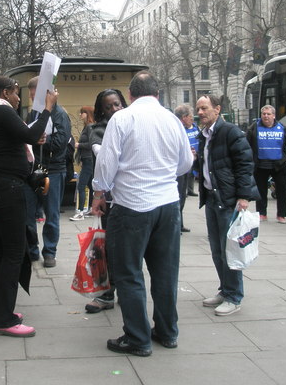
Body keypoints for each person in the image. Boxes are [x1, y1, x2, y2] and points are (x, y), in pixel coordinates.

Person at [91, 72, 193, 357]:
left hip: (132, 206)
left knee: (128, 273)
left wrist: (99, 194)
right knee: (165, 272)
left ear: (131, 94)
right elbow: (185, 162)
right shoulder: (172, 119)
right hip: (168, 206)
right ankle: (167, 332)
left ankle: (137, 338)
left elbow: (106, 163)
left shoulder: (122, 119)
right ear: (157, 94)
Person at [0, 76, 57, 337]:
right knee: (13, 252)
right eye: (15, 92)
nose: (18, 97)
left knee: (1, 253)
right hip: (6, 188)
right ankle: (4, 320)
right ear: (5, 92)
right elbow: (32, 135)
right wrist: (47, 108)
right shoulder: (1, 110)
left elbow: (25, 137)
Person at [196, 94, 257, 317]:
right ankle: (225, 289)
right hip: (213, 199)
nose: (200, 113)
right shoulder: (204, 135)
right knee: (216, 250)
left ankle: (234, 296)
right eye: (198, 109)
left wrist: (244, 196)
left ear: (217, 109)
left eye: (204, 108)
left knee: (229, 250)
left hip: (228, 199)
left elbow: (245, 164)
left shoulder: (230, 131)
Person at [83, 88, 128, 314]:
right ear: (101, 110)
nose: (114, 109)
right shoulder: (96, 129)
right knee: (108, 246)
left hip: (130, 196)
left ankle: (126, 291)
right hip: (108, 198)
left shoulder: (131, 123)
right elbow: (104, 157)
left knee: (129, 248)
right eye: (108, 106)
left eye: (117, 104)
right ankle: (106, 294)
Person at [25, 76, 71, 268]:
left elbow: (61, 143)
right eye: (32, 96)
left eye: (36, 96)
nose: (33, 100)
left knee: (51, 214)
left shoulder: (60, 114)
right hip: (34, 168)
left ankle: (49, 251)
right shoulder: (33, 114)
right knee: (28, 214)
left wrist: (41, 140)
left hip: (53, 170)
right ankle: (32, 249)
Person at [246, 105, 286, 224]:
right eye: (264, 114)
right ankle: (261, 213)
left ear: (274, 116)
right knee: (260, 191)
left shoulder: (282, 128)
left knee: (283, 190)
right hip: (260, 165)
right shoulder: (254, 128)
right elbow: (247, 144)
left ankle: (281, 215)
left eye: (268, 114)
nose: (266, 116)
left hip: (279, 164)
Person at [173, 104, 199, 232]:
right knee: (178, 197)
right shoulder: (176, 129)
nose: (192, 119)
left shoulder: (185, 128)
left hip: (184, 167)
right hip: (177, 169)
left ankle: (180, 224)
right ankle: (176, 225)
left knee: (182, 196)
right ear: (184, 117)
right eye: (190, 117)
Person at [69, 106, 95, 221]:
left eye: (82, 113)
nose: (80, 115)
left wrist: (78, 145)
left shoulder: (89, 127)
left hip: (88, 159)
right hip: (88, 159)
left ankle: (80, 212)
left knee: (81, 185)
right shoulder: (88, 127)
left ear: (87, 114)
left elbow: (91, 144)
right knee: (90, 185)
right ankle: (91, 208)